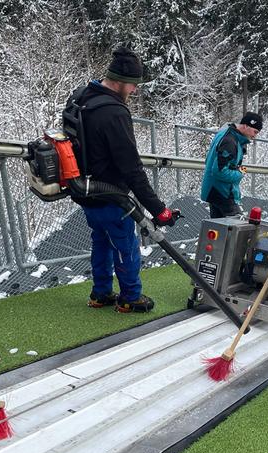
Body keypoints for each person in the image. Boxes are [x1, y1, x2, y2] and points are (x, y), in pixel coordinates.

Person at [63, 47, 180, 313]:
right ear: (119, 81)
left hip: (83, 189)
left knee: (101, 241)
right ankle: (130, 297)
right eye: (133, 85)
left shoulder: (80, 98)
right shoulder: (114, 112)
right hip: (110, 194)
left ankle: (100, 293)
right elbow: (132, 168)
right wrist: (158, 210)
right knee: (125, 245)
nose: (135, 91)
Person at [200, 112, 263, 217]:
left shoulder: (224, 133)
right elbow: (218, 171)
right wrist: (240, 172)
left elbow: (209, 161)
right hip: (222, 193)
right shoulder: (230, 141)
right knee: (237, 228)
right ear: (246, 125)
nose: (255, 136)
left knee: (218, 229)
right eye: (255, 131)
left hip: (214, 191)